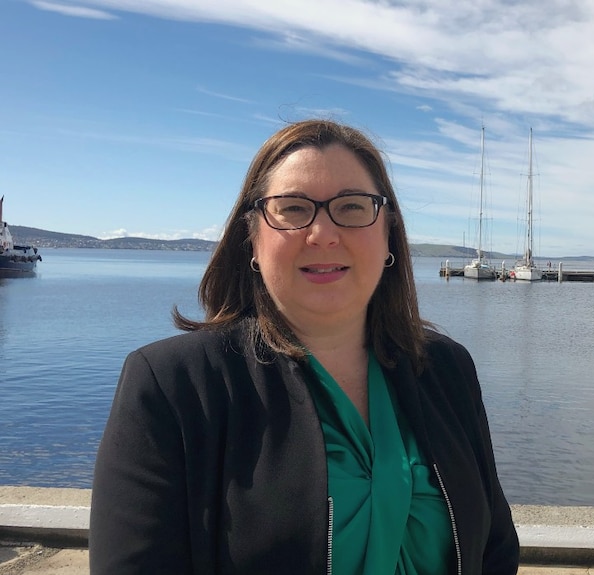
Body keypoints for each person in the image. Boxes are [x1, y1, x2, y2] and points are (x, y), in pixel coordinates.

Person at [89, 119, 520, 574]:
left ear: (389, 233)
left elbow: (495, 547)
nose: (323, 233)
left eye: (352, 207)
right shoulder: (173, 386)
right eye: (293, 209)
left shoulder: (446, 368)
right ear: (252, 239)